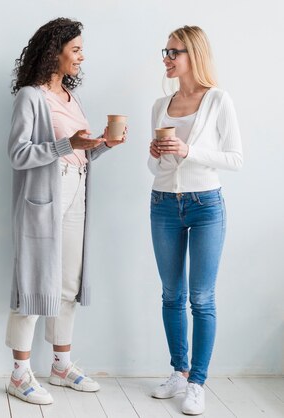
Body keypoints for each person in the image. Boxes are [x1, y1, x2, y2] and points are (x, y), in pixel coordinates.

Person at [5, 18, 126, 405]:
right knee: (35, 281)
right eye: (75, 49)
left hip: (77, 191)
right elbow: (18, 153)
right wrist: (64, 144)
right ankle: (20, 374)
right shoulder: (31, 96)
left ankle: (60, 365)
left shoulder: (73, 99)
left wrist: (104, 145)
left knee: (68, 284)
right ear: (54, 51)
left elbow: (79, 151)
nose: (81, 56)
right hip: (45, 195)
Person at [148, 25, 243, 415]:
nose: (167, 59)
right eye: (165, 52)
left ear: (193, 55)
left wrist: (189, 150)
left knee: (202, 298)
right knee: (172, 295)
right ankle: (179, 373)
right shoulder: (160, 104)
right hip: (164, 204)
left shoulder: (219, 100)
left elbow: (235, 159)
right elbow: (154, 166)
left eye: (174, 52)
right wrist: (156, 152)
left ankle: (198, 382)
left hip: (206, 206)